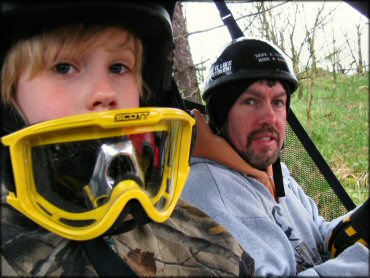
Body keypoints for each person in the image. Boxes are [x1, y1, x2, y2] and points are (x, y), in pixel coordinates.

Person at [0, 1, 255, 276]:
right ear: (10, 95)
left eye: (119, 67)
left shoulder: (214, 246)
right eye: (63, 67)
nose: (104, 92)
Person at [182, 37, 369, 277]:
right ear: (220, 116)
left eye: (278, 102)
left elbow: (318, 240)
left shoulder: (276, 173)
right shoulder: (206, 192)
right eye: (251, 101)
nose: (270, 118)